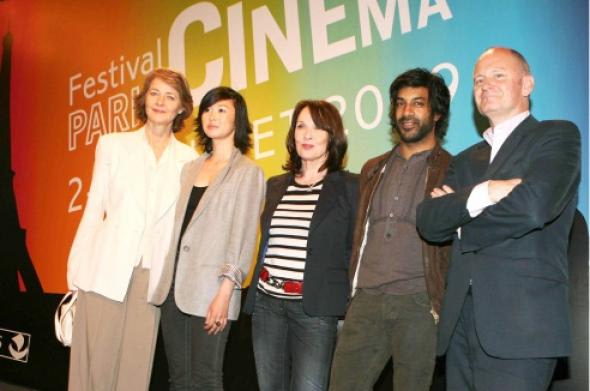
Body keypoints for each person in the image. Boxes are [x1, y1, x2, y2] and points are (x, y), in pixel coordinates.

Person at [416, 47, 581, 390]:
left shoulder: (557, 136)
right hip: (460, 323)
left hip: (522, 324)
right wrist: (487, 192)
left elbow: (533, 206)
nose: (484, 85)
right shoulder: (464, 160)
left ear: (527, 84)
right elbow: (429, 221)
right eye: (478, 80)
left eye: (498, 75)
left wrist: (460, 217)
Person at [66, 68, 198, 391]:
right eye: (154, 93)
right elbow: (94, 208)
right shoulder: (112, 145)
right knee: (94, 370)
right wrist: (76, 273)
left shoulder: (189, 160)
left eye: (170, 96)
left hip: (150, 279)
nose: (160, 102)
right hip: (104, 271)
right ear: (143, 98)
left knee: (134, 375)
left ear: (181, 107)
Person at [329, 68, 452, 391]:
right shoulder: (373, 168)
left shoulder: (452, 169)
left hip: (418, 304)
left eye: (417, 103)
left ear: (437, 113)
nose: (406, 112)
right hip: (366, 300)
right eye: (400, 103)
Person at [150, 86, 265, 390]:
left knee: (206, 378)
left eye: (221, 110)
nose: (212, 116)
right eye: (207, 110)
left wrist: (225, 294)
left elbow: (243, 240)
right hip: (173, 288)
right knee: (179, 378)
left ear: (237, 119)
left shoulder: (247, 172)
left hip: (212, 291)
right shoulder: (189, 168)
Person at [243, 100, 358, 391]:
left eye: (317, 127)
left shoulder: (349, 186)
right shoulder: (276, 185)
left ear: (332, 136)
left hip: (315, 310)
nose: (307, 134)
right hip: (267, 305)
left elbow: (354, 250)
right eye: (301, 126)